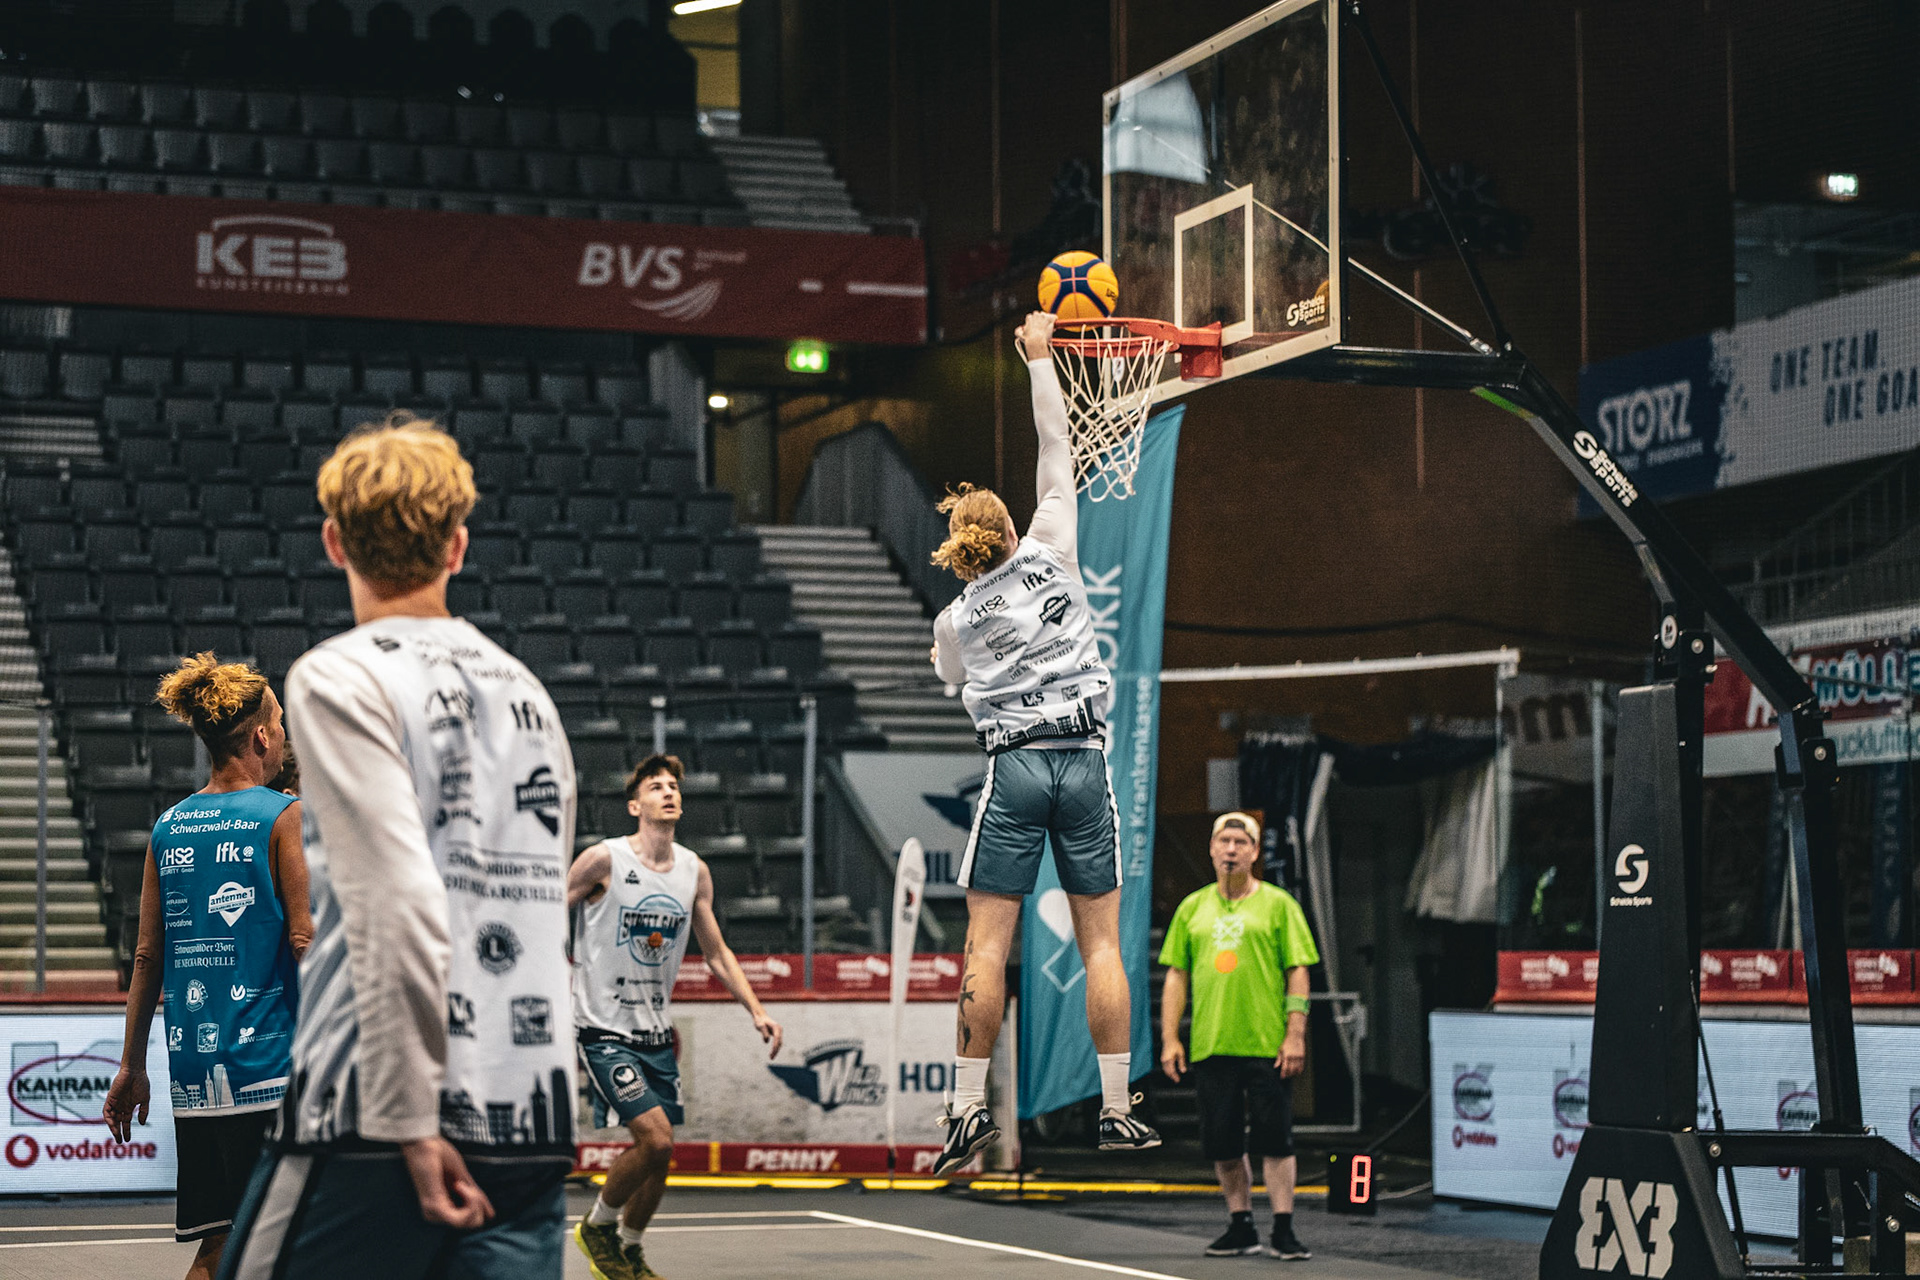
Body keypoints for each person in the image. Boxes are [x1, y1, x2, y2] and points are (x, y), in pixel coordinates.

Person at [217, 414, 579, 1280]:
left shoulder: (340, 674)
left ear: (334, 541)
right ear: (458, 545)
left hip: (375, 1113)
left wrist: (412, 1118)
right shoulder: (527, 691)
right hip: (530, 1111)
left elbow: (398, 903)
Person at [926, 309, 1159, 1174]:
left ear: (962, 550)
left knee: (988, 945)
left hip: (1016, 765)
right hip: (1084, 760)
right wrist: (1037, 356)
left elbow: (949, 678)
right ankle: (1117, 1109)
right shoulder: (1053, 545)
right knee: (1102, 944)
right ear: (1012, 531)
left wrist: (957, 655)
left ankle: (964, 1110)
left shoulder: (955, 617)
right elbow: (1055, 441)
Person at [102, 654, 308, 1280]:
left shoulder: (169, 826)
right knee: (300, 1241)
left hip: (195, 1075)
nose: (284, 734)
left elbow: (147, 957)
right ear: (263, 737)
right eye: (280, 722)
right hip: (271, 1068)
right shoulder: (283, 815)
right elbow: (305, 941)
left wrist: (131, 1067)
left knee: (219, 1245)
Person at [568, 753, 782, 1280]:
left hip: (655, 1036)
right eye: (656, 787)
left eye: (674, 787)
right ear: (634, 805)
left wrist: (757, 1010)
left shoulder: (693, 871)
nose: (669, 792)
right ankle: (597, 1226)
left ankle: (630, 1249)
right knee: (656, 1139)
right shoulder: (603, 860)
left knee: (660, 1156)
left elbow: (716, 953)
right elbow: (547, 912)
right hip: (603, 1030)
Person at [1159, 812, 1321, 1262]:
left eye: (1241, 842)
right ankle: (1241, 1224)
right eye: (1224, 841)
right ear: (1212, 849)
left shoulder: (1279, 905)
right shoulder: (1192, 908)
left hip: (1266, 1044)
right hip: (1212, 1043)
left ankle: (1283, 1228)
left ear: (1254, 852)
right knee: (1223, 1142)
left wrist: (1295, 1034)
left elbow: (1298, 971)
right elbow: (1176, 976)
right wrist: (1170, 1038)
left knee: (1276, 1140)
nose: (1231, 849)